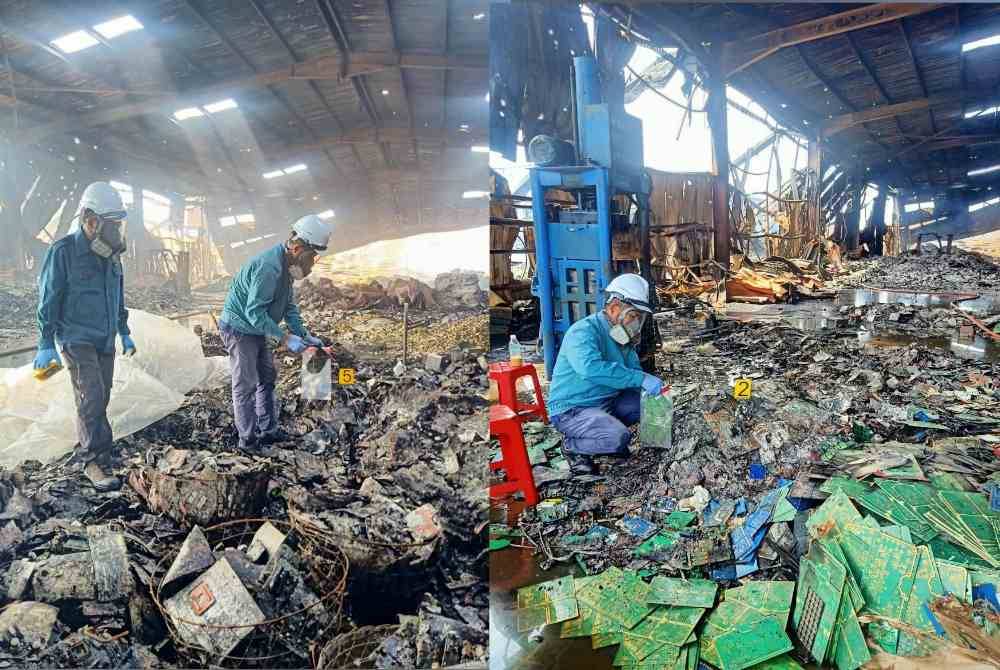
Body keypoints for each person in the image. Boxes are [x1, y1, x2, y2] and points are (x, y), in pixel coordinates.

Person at [34, 181, 136, 491]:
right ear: (91, 220)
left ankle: (101, 451)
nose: (117, 232)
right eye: (112, 225)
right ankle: (91, 461)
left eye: (119, 224)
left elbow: (117, 296)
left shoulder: (111, 256)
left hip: (104, 338)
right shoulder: (63, 252)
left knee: (102, 395)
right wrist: (45, 342)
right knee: (90, 395)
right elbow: (49, 297)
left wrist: (124, 330)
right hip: (76, 337)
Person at [219, 214, 332, 451]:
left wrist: (304, 334)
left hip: (257, 328)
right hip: (240, 328)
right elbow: (254, 313)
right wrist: (285, 338)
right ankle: (248, 441)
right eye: (311, 256)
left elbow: (288, 307)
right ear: (297, 248)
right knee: (245, 385)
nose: (311, 263)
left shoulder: (286, 267)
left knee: (267, 378)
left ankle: (268, 431)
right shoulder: (269, 268)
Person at [546, 273, 666, 475]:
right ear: (614, 307)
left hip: (605, 403)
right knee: (617, 437)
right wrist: (641, 378)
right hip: (572, 409)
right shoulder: (582, 332)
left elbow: (633, 372)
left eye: (639, 317)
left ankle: (641, 446)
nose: (636, 322)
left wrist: (658, 396)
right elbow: (590, 368)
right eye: (633, 316)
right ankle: (572, 446)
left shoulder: (620, 335)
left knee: (650, 404)